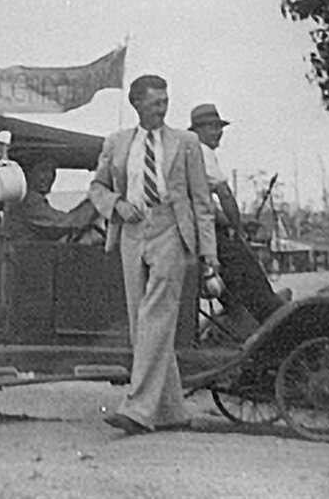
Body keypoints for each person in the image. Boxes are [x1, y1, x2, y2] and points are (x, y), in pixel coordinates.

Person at [89, 74, 219, 435]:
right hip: (131, 232)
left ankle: (138, 409)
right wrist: (116, 204)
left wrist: (209, 254)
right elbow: (96, 186)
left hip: (170, 231)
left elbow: (202, 203)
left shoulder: (187, 143)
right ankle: (173, 410)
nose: (163, 107)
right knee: (142, 324)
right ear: (137, 104)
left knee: (155, 315)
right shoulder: (116, 142)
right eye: (156, 102)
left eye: (166, 100)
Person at [188, 103, 286, 324]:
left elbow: (210, 207)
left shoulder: (188, 153)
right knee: (245, 265)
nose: (218, 132)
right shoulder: (201, 151)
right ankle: (269, 312)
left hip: (197, 228)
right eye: (212, 127)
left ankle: (252, 313)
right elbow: (224, 193)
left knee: (237, 276)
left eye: (219, 127)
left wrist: (237, 222)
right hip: (204, 233)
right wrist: (239, 229)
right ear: (198, 131)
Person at [2, 157, 98, 241]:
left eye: (52, 171)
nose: (49, 176)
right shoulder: (28, 202)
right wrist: (100, 199)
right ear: (26, 173)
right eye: (42, 170)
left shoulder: (27, 200)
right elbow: (69, 222)